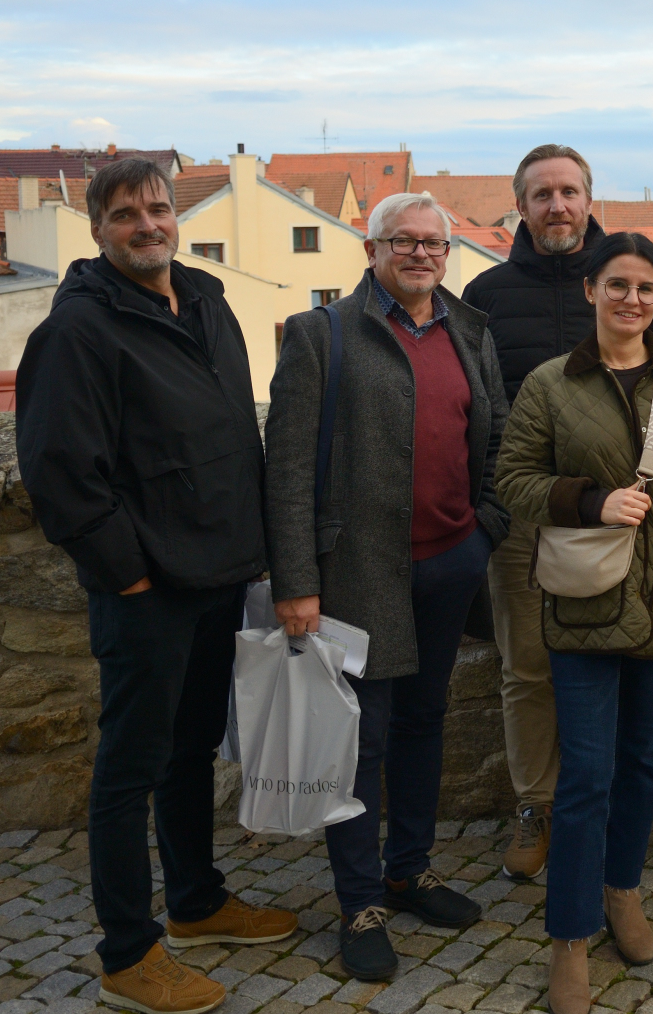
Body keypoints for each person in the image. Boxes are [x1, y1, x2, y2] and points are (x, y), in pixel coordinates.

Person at [17, 157, 295, 1014]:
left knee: (190, 751)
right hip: (148, 590)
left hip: (220, 572)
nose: (147, 225)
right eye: (125, 214)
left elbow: (232, 430)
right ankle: (128, 954)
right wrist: (130, 577)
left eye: (158, 209)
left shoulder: (206, 300)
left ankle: (197, 904)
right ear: (97, 229)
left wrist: (252, 548)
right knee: (129, 770)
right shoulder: (78, 331)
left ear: (177, 216)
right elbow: (61, 474)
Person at [264, 192, 511, 981]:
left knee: (424, 720)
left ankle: (409, 869)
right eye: (402, 241)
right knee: (358, 739)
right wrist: (296, 581)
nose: (420, 254)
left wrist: (484, 532)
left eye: (433, 243)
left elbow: (498, 441)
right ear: (371, 249)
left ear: (448, 253)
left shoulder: (470, 331)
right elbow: (286, 467)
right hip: (355, 574)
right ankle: (360, 901)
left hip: (449, 564)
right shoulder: (322, 334)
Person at [494, 232, 653, 1014]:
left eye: (646, 288)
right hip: (586, 601)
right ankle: (569, 936)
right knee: (587, 775)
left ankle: (622, 890)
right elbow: (513, 479)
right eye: (618, 285)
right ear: (591, 289)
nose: (632, 300)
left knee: (641, 765)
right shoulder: (550, 384)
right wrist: (592, 502)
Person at [460, 145, 653, 882]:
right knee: (526, 668)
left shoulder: (628, 283)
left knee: (619, 658)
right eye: (542, 194)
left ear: (589, 199)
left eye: (569, 192)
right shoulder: (485, 294)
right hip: (522, 514)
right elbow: (473, 407)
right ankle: (537, 806)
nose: (557, 206)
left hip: (618, 514)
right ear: (521, 206)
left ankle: (600, 804)